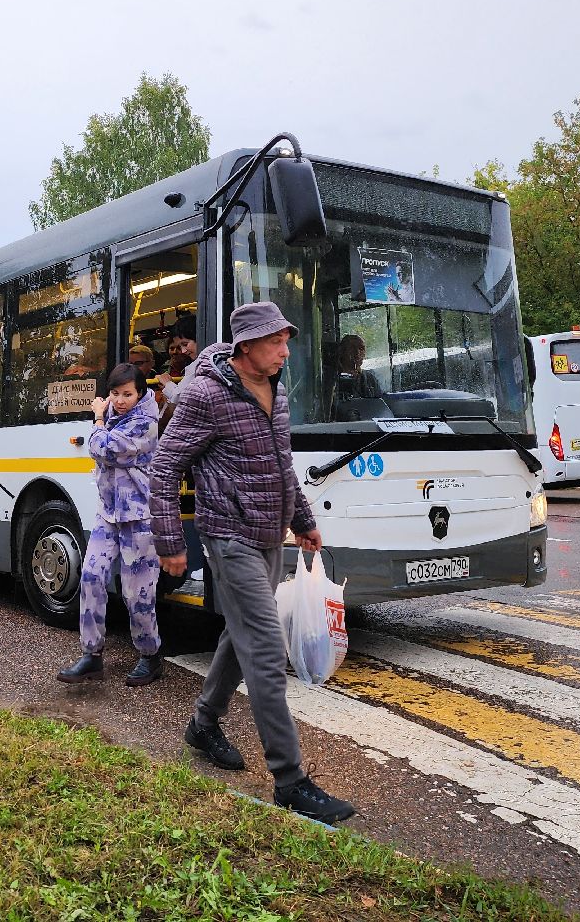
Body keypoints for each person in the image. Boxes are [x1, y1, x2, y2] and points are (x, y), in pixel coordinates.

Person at [150, 301, 356, 825]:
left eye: (286, 340)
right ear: (246, 348)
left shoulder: (277, 389)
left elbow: (281, 463)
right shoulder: (205, 395)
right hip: (228, 535)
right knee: (266, 646)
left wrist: (304, 520)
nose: (286, 351)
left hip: (269, 533)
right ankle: (290, 780)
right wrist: (170, 540)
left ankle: (203, 724)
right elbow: (163, 466)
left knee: (238, 639)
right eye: (276, 342)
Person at [58, 363, 164, 686]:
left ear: (141, 392)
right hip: (108, 514)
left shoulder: (146, 422)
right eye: (115, 394)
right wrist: (104, 421)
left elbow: (102, 448)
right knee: (90, 575)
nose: (120, 400)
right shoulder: (119, 417)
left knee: (137, 592)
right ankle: (92, 655)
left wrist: (99, 419)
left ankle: (150, 655)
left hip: (139, 517)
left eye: (127, 394)